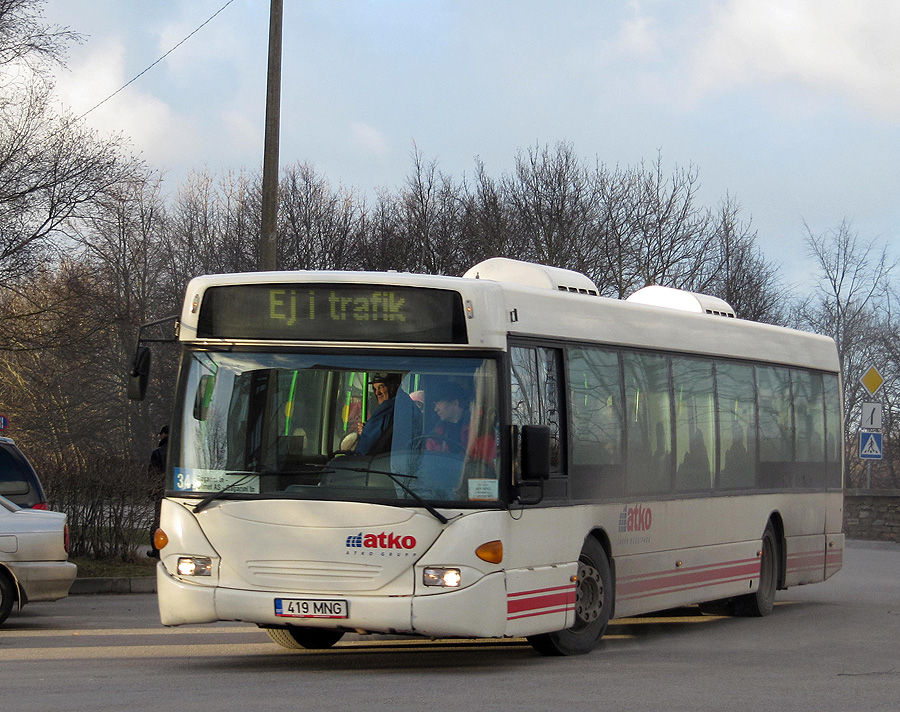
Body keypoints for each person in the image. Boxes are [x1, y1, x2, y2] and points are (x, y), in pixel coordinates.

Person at [354, 373, 421, 456]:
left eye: (381, 387)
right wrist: (368, 428)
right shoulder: (408, 404)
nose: (377, 393)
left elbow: (365, 447)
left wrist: (367, 432)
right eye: (375, 389)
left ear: (393, 387)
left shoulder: (388, 407)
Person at [425, 382, 470, 453]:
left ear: (455, 403)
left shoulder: (477, 431)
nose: (436, 409)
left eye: (439, 403)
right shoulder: (435, 436)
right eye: (435, 404)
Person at [147, 425, 168, 558]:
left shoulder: (158, 452)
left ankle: (156, 550)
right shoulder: (184, 450)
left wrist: (153, 490)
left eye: (161, 434)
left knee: (159, 522)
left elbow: (153, 474)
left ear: (165, 434)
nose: (160, 436)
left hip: (162, 492)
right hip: (180, 491)